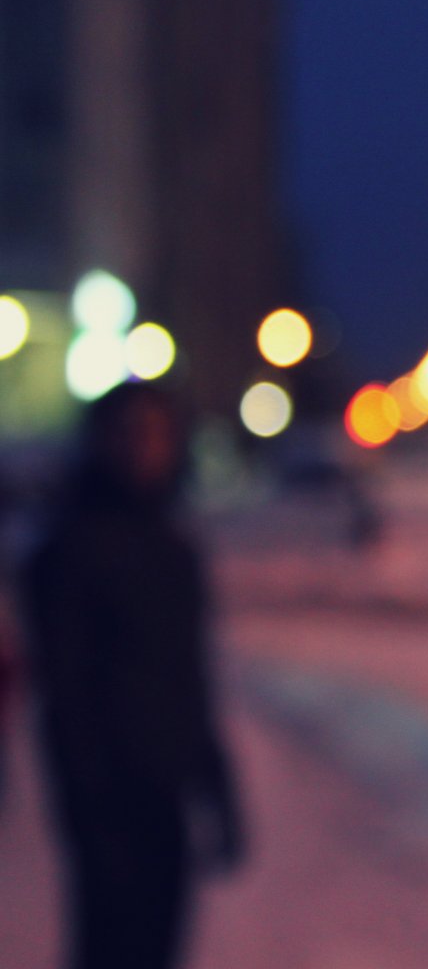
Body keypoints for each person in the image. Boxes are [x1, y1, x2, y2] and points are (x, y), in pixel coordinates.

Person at [20, 382, 246, 969]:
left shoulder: (174, 548)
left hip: (166, 792)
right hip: (106, 802)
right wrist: (86, 806)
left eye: (157, 434)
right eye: (130, 433)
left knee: (159, 947)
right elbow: (64, 693)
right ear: (99, 443)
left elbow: (189, 677)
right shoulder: (69, 550)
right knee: (108, 949)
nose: (145, 448)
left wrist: (215, 784)